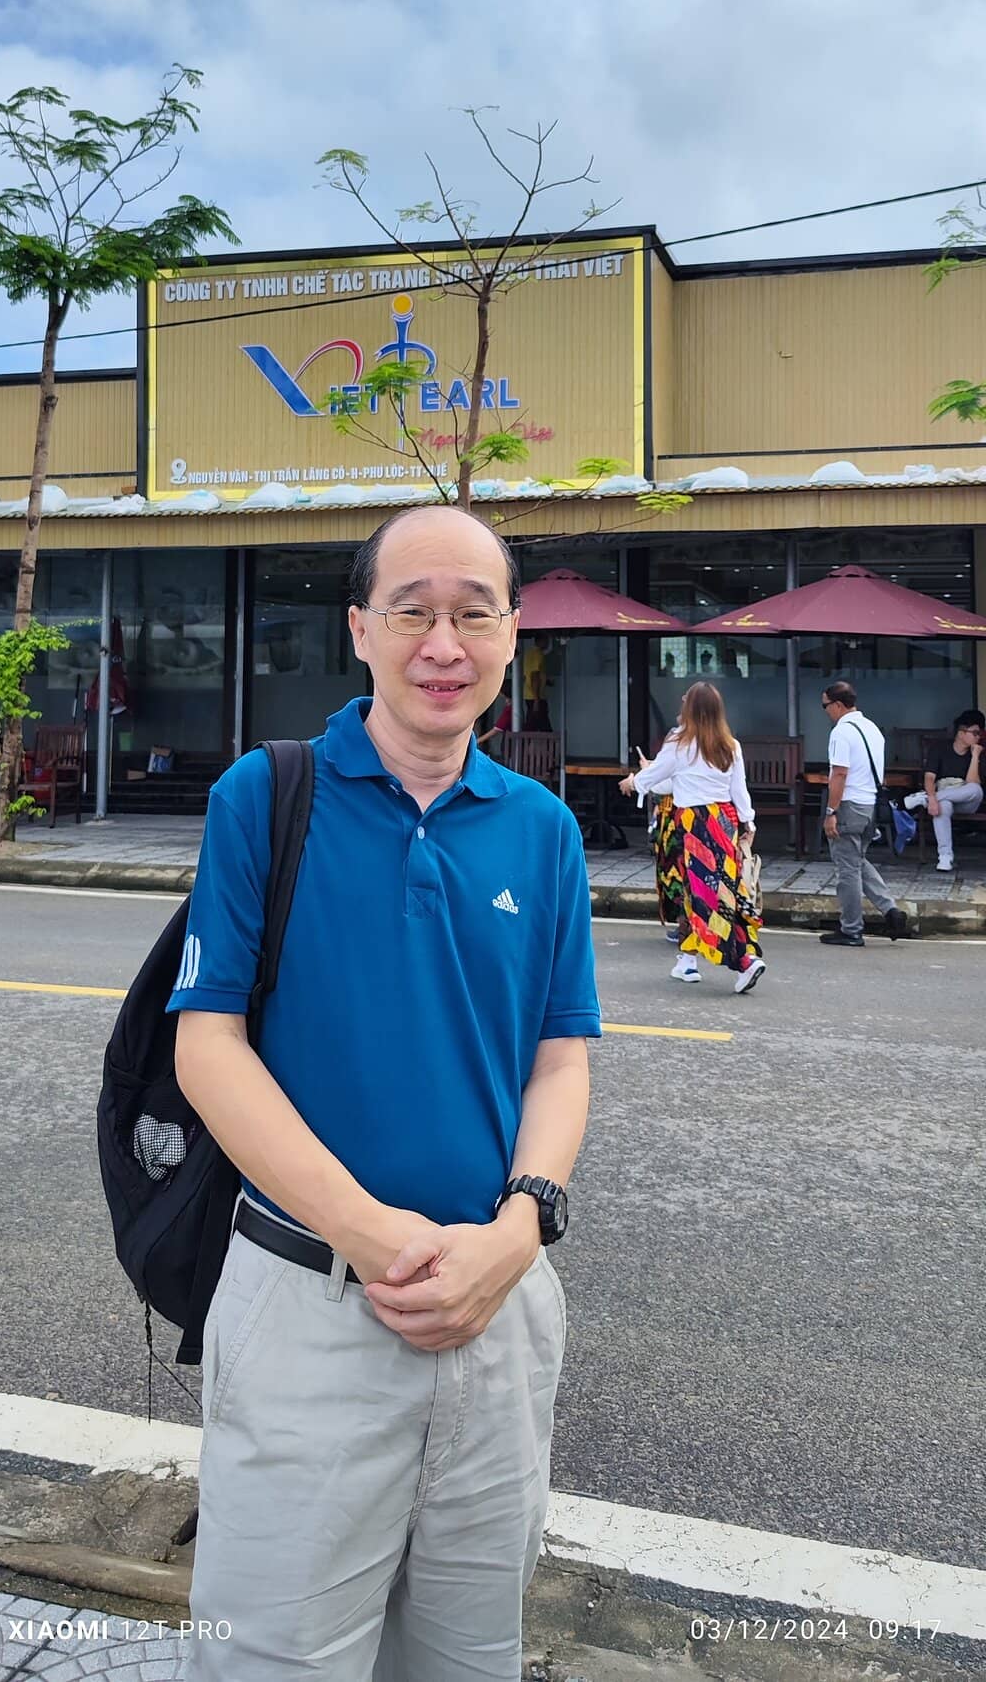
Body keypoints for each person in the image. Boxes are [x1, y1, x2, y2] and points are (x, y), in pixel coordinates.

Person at [168, 504, 601, 1681]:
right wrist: (370, 1236)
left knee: (468, 1651)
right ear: (360, 628)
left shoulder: (543, 829)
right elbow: (208, 1047)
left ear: (512, 634)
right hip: (310, 1301)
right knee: (273, 1654)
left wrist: (520, 1229)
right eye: (412, 611)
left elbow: (559, 1056)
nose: (443, 644)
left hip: (499, 1305)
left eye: (474, 613)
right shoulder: (267, 796)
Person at [617, 681, 765, 993]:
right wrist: (748, 824)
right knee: (719, 890)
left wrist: (633, 782)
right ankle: (687, 960)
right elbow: (740, 791)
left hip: (695, 824)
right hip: (725, 821)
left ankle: (743, 961)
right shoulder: (730, 745)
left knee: (703, 894)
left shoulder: (679, 743)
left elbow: (655, 776)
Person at [819, 681, 909, 946]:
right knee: (857, 861)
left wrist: (830, 811)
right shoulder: (872, 729)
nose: (825, 711)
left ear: (837, 704)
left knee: (847, 870)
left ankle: (851, 930)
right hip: (870, 806)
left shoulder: (841, 732)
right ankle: (890, 910)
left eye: (825, 706)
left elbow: (839, 774)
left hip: (848, 806)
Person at [904, 709, 986, 870]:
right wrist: (933, 798)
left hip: (967, 800)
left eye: (980, 733)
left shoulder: (978, 753)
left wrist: (975, 756)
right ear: (961, 732)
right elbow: (929, 777)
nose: (978, 737)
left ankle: (923, 799)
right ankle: (945, 857)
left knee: (976, 789)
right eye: (975, 733)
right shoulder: (940, 749)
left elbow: (972, 782)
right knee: (943, 806)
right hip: (944, 794)